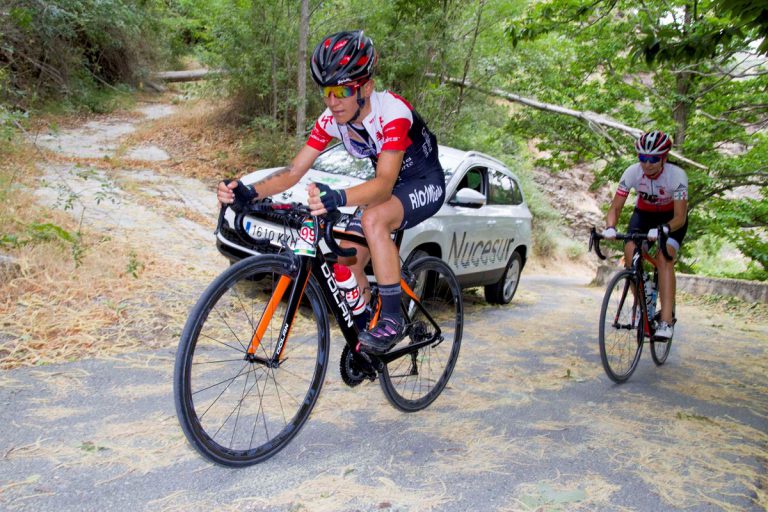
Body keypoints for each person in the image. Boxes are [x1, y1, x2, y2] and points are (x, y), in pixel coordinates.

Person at [216, 30, 445, 354]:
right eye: (326, 91)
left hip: (423, 181)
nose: (332, 101)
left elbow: (383, 183)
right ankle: (367, 328)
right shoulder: (333, 119)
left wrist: (338, 197)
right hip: (387, 184)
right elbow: (294, 171)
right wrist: (248, 191)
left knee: (374, 220)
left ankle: (392, 318)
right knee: (347, 259)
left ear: (366, 87)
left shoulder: (393, 114)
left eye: (341, 90)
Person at [602, 130, 688, 339]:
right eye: (643, 158)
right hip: (644, 215)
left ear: (664, 158)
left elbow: (680, 217)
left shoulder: (676, 175)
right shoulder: (632, 172)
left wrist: (664, 229)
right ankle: (643, 301)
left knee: (664, 256)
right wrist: (611, 227)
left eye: (653, 159)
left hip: (671, 220)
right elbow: (615, 207)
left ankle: (666, 321)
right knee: (630, 251)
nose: (647, 164)